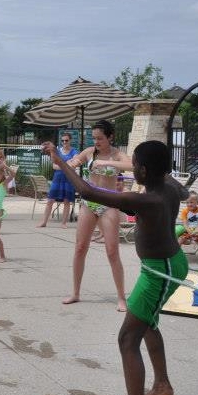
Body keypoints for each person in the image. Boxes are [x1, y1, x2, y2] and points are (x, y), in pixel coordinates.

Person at [45, 139, 188, 395]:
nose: (130, 168)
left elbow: (88, 192)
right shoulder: (169, 187)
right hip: (166, 264)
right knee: (146, 324)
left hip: (160, 271)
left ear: (143, 171)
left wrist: (59, 161)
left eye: (134, 165)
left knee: (127, 338)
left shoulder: (148, 200)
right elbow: (183, 189)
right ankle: (161, 384)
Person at [62, 120, 132, 311]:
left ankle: (121, 298)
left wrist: (106, 162)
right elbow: (71, 163)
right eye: (94, 138)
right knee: (80, 248)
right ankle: (76, 293)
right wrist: (70, 163)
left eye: (100, 138)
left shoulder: (117, 155)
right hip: (89, 203)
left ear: (110, 137)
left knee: (112, 251)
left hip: (109, 204)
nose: (96, 142)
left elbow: (133, 166)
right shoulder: (89, 152)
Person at [38, 132, 79, 228]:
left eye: (66, 140)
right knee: (50, 200)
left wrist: (62, 164)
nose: (64, 142)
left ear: (70, 140)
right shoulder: (57, 151)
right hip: (57, 178)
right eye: (62, 140)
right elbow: (54, 166)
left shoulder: (74, 151)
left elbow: (74, 165)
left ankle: (63, 223)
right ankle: (44, 222)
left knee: (66, 201)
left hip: (68, 178)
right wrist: (66, 164)